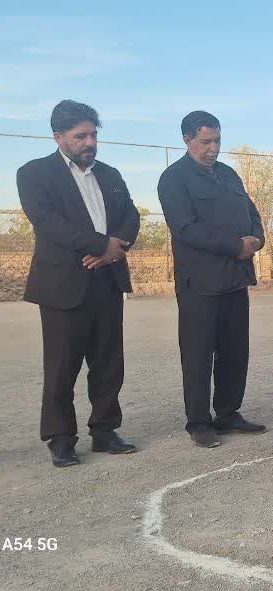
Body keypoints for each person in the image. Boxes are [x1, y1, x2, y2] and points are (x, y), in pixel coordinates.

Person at [17, 100, 140, 467]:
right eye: (80, 136)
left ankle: (104, 431)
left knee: (108, 362)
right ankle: (61, 438)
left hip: (107, 280)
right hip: (62, 285)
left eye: (93, 135)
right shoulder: (35, 173)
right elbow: (48, 222)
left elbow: (131, 215)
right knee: (61, 366)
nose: (89, 142)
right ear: (58, 137)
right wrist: (100, 244)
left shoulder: (111, 174)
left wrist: (116, 250)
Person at [158, 111, 267, 448]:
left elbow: (251, 214)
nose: (213, 148)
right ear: (187, 139)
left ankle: (228, 413)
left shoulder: (228, 175)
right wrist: (234, 246)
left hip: (235, 279)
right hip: (200, 284)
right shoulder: (174, 179)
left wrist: (257, 239)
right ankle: (199, 422)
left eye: (217, 140)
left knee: (236, 351)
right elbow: (185, 228)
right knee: (198, 354)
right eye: (206, 141)